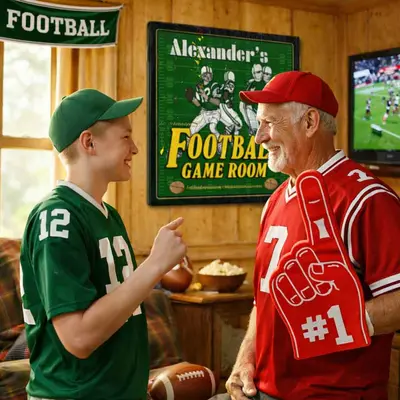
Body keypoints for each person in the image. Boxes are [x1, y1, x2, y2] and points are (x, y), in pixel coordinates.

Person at [210, 71, 400, 400]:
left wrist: (341, 322)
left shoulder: (367, 199)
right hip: (264, 391)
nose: (259, 138)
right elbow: (265, 298)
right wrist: (245, 360)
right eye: (259, 124)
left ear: (310, 122)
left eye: (269, 123)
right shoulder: (276, 200)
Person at [19, 88, 187, 400]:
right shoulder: (57, 217)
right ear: (89, 142)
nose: (135, 148)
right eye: (126, 137)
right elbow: (78, 338)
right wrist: (155, 265)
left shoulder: (108, 215)